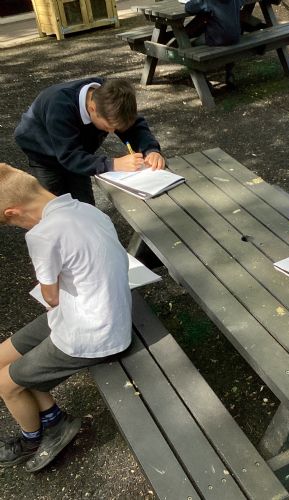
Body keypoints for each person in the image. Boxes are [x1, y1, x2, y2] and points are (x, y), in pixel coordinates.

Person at [0, 164, 132, 471]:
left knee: (5, 384)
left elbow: (51, 297)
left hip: (93, 332)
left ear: (12, 212)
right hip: (93, 312)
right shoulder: (88, 210)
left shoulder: (42, 235)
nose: (18, 228)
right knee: (10, 361)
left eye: (10, 224)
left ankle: (31, 440)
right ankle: (55, 420)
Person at [14, 78, 165, 205]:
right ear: (92, 109)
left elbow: (134, 127)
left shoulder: (111, 98)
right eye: (108, 127)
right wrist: (113, 164)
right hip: (43, 151)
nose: (112, 131)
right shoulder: (60, 107)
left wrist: (150, 150)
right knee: (56, 206)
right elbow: (70, 156)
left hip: (78, 149)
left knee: (85, 204)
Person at [183, 0, 246, 88]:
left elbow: (189, 8)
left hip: (217, 38)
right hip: (235, 36)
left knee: (191, 45)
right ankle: (229, 73)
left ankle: (202, 79)